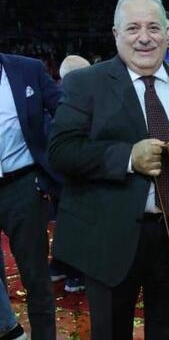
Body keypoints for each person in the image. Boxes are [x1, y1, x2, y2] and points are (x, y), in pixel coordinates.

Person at [48, 0, 169, 340]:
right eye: (133, 28)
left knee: (168, 330)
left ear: (168, 33)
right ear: (116, 34)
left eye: (153, 27)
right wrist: (128, 158)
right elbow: (60, 150)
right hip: (108, 239)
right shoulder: (85, 82)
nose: (144, 38)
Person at [0, 52, 61, 340]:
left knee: (35, 276)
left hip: (23, 186)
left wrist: (48, 172)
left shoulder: (28, 69)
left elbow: (65, 114)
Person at [49, 54, 91, 293]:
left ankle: (59, 267)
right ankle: (76, 274)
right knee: (79, 223)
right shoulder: (73, 98)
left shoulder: (55, 94)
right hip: (76, 171)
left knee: (65, 220)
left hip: (57, 173)